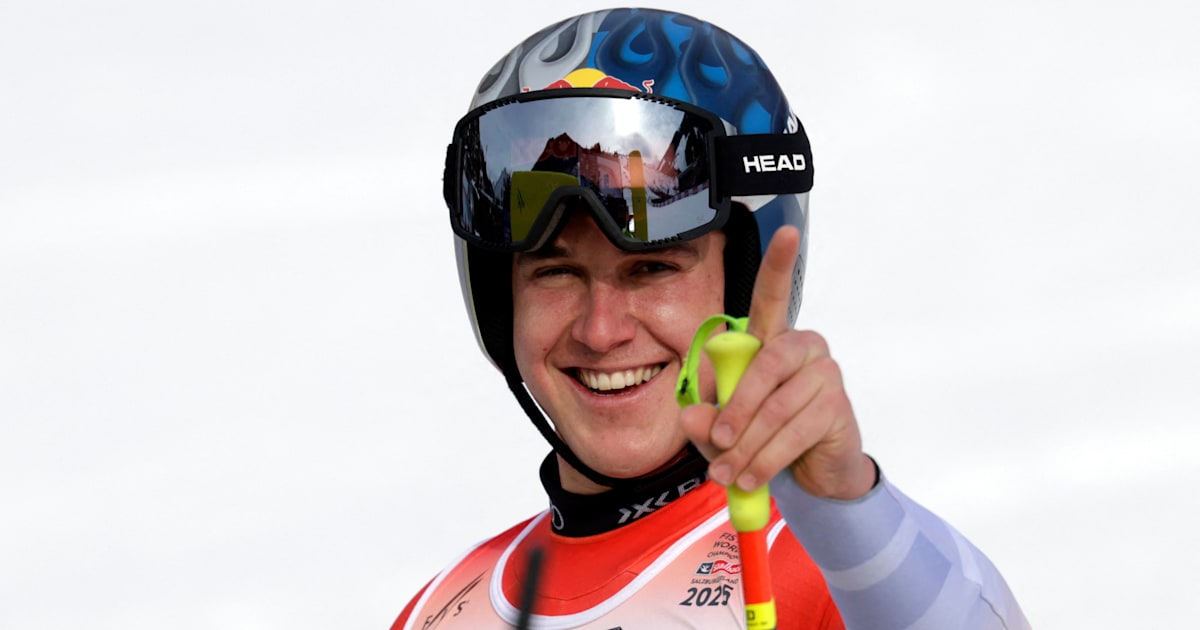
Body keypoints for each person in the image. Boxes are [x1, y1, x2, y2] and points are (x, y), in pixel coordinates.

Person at [392, 8, 1029, 630]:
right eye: (555, 271)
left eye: (652, 268)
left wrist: (847, 516)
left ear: (742, 286)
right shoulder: (440, 610)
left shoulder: (854, 573)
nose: (600, 330)